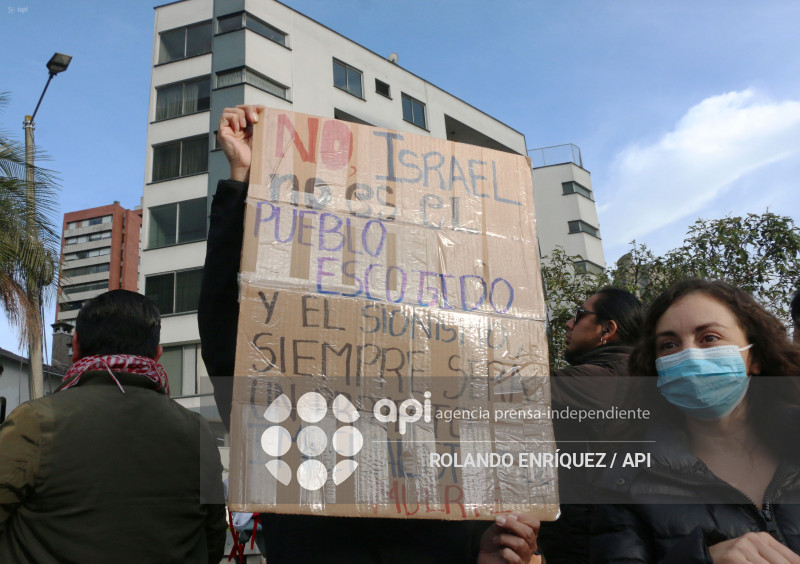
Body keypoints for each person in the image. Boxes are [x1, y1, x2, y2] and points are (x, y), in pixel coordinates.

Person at [198, 105, 539, 564]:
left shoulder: (459, 419)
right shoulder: (285, 411)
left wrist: (494, 549)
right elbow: (226, 333)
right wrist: (243, 179)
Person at [0, 290, 226, 563]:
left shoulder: (35, 421)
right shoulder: (199, 432)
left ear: (76, 346)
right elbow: (213, 538)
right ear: (157, 354)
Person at [592, 279, 800, 563]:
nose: (688, 355)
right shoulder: (625, 480)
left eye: (709, 338)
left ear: (755, 357)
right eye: (669, 345)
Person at [537, 288, 644, 564]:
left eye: (579, 315)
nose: (568, 324)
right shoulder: (629, 373)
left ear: (607, 329)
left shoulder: (603, 380)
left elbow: (514, 387)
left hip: (585, 540)